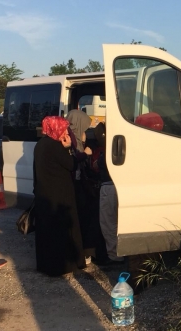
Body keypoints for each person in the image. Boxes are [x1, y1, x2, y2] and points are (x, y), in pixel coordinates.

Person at [33, 116, 85, 276]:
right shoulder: (56, 146)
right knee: (62, 229)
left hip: (43, 195)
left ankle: (45, 265)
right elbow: (71, 164)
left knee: (46, 232)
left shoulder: (40, 145)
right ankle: (65, 265)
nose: (65, 131)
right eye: (62, 128)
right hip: (60, 195)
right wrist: (69, 148)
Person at [66, 109, 104, 264]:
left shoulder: (75, 138)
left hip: (78, 184)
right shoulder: (69, 140)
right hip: (74, 185)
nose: (86, 131)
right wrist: (85, 152)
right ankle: (84, 252)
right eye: (85, 127)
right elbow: (74, 161)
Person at [96, 123, 125, 266]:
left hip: (108, 188)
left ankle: (114, 256)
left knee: (109, 223)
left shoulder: (108, 150)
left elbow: (97, 165)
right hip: (121, 188)